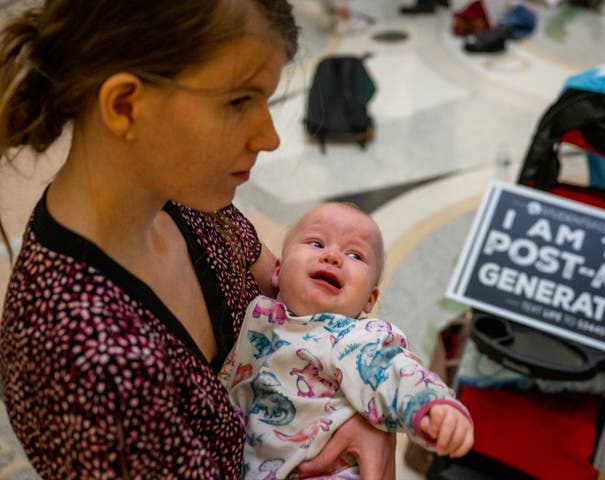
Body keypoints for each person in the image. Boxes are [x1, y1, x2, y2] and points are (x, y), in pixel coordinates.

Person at [0, 1, 397, 478]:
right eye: (238, 101)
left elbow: (306, 310)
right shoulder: (93, 363)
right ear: (126, 106)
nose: (269, 137)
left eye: (266, 102)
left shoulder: (184, 196)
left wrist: (370, 410)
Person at [221, 202, 474, 479]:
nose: (332, 256)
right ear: (278, 271)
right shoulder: (259, 316)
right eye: (317, 243)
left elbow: (393, 370)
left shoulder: (355, 337)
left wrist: (431, 404)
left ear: (370, 299)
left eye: (355, 255)